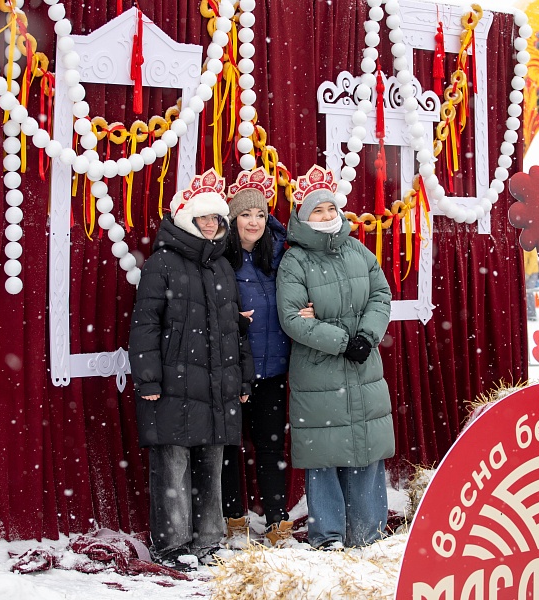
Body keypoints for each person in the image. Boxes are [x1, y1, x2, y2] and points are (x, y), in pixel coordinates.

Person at [129, 169, 254, 568]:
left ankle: (208, 541)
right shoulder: (161, 264)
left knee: (211, 464)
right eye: (204, 218)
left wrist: (243, 378)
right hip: (173, 383)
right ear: (188, 219)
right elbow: (145, 325)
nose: (212, 225)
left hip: (216, 385)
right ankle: (173, 545)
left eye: (216, 218)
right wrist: (148, 378)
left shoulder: (222, 267)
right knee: (173, 465)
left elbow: (234, 327)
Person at [276, 165, 395, 550]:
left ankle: (369, 534)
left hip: (364, 367)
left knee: (366, 448)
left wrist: (366, 336)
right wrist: (343, 341)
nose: (327, 215)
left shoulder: (357, 250)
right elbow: (293, 318)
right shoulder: (295, 261)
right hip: (320, 373)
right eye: (318, 210)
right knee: (324, 454)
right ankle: (327, 537)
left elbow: (381, 295)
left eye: (331, 208)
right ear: (303, 217)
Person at [220, 168, 313, 547]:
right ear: (233, 219)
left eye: (259, 214)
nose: (254, 222)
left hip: (273, 370)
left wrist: (310, 308)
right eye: (245, 214)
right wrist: (229, 318)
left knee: (271, 447)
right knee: (229, 447)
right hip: (232, 369)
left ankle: (277, 522)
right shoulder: (220, 257)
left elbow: (300, 293)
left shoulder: (279, 256)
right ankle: (234, 521)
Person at [523, 249, 539, 321]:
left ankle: (531, 313)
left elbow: (533, 259)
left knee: (528, 291)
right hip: (522, 271)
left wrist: (528, 273)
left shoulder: (529, 245)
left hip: (532, 272)